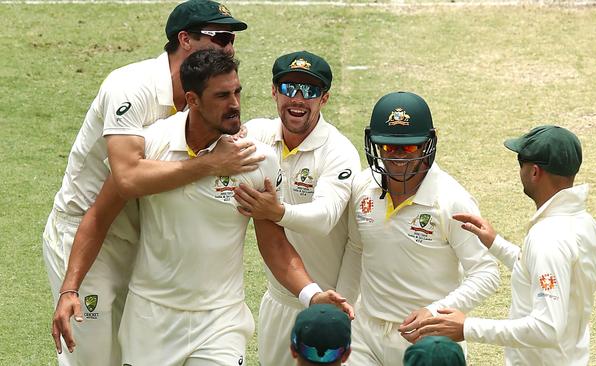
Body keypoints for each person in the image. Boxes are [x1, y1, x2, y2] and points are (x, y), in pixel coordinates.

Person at [53, 49, 352, 365]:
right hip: (150, 320)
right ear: (193, 100)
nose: (235, 104)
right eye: (222, 95)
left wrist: (311, 295)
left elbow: (275, 244)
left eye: (237, 92)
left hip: (221, 322)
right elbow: (99, 217)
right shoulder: (152, 145)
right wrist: (69, 289)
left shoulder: (256, 160)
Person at [45, 2, 260, 364]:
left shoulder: (206, 95)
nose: (229, 47)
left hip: (142, 239)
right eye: (220, 37)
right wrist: (210, 164)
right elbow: (127, 179)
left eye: (232, 39)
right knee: (97, 358)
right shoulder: (131, 87)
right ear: (185, 40)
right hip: (87, 232)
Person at [415, 125, 596, 366]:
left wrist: (467, 327)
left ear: (535, 172)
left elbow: (547, 327)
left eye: (521, 162)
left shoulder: (548, 237)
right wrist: (495, 244)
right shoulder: (586, 224)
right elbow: (541, 271)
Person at [344, 91, 500, 365]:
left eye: (407, 148)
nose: (397, 158)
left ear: (427, 145)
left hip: (427, 342)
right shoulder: (362, 186)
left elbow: (486, 273)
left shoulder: (451, 200)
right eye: (388, 147)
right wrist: (342, 309)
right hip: (365, 335)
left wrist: (435, 311)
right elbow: (356, 249)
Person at [232, 50, 361, 366]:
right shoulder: (258, 134)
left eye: (311, 91)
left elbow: (325, 217)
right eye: (290, 89)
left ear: (325, 98)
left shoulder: (339, 152)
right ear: (274, 92)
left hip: (333, 305)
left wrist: (276, 212)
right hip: (279, 300)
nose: (299, 100)